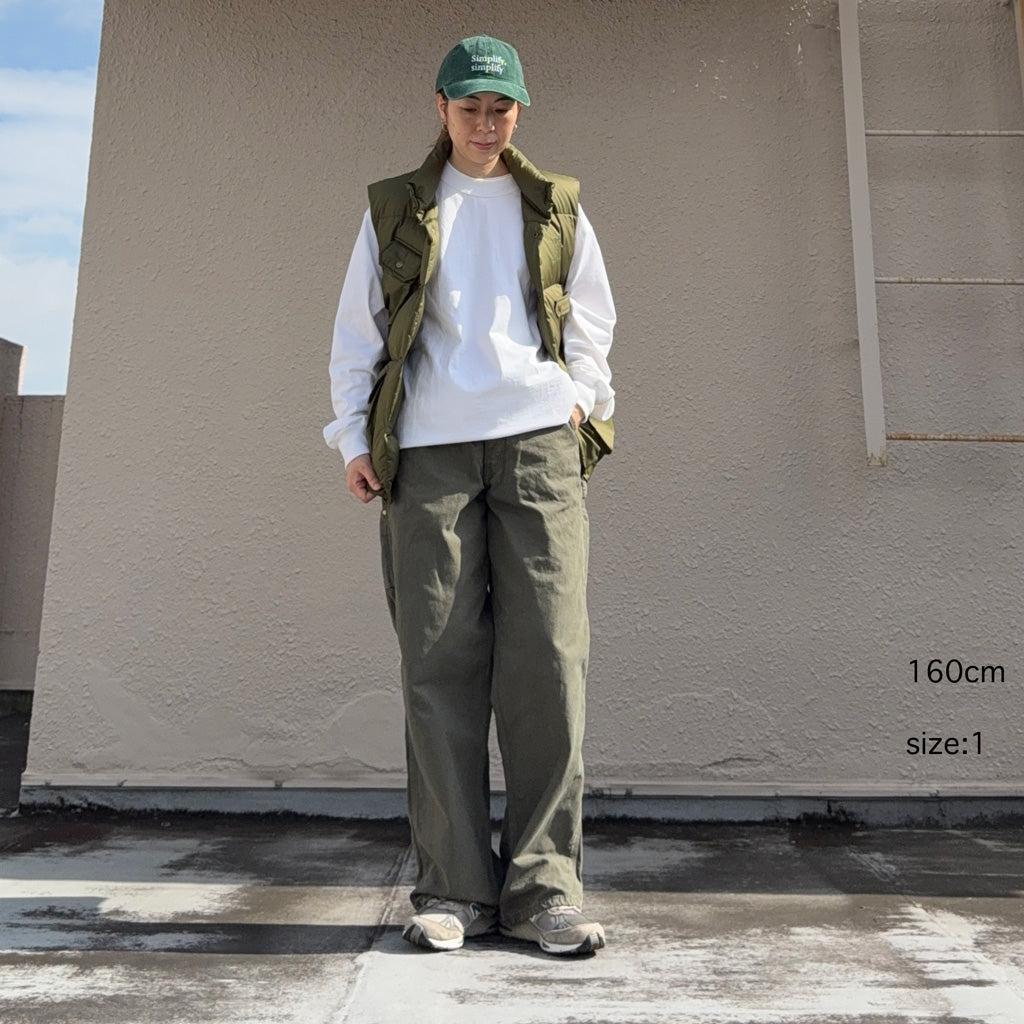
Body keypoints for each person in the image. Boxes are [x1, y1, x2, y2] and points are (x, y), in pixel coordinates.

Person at [323, 35, 615, 956]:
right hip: (430, 452)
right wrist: (351, 437)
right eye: (470, 108)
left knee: (550, 663)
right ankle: (452, 888)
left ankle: (545, 893)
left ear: (518, 111)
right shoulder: (395, 207)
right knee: (439, 667)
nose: (486, 124)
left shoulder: (555, 202)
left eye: (501, 109)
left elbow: (592, 317)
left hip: (537, 446)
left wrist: (581, 401)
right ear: (441, 108)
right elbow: (360, 328)